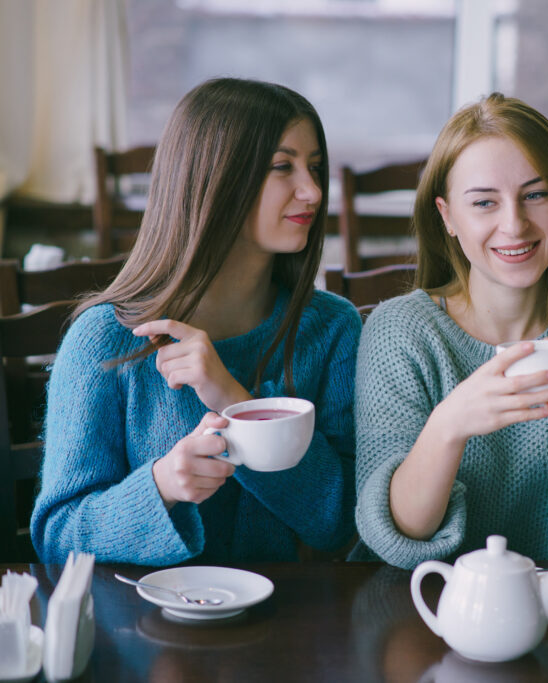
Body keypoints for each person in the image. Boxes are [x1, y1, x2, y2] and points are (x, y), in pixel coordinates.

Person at [31, 78, 361, 565]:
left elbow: (341, 523)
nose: (312, 190)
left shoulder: (333, 329)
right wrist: (161, 486)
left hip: (293, 628)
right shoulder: (103, 340)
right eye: (281, 167)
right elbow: (57, 537)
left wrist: (236, 401)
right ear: (215, 177)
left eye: (314, 167)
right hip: (144, 631)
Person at [352, 93, 548, 570]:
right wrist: (450, 425)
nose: (514, 224)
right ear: (448, 217)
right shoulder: (400, 332)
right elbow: (402, 533)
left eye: (536, 195)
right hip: (425, 603)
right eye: (484, 203)